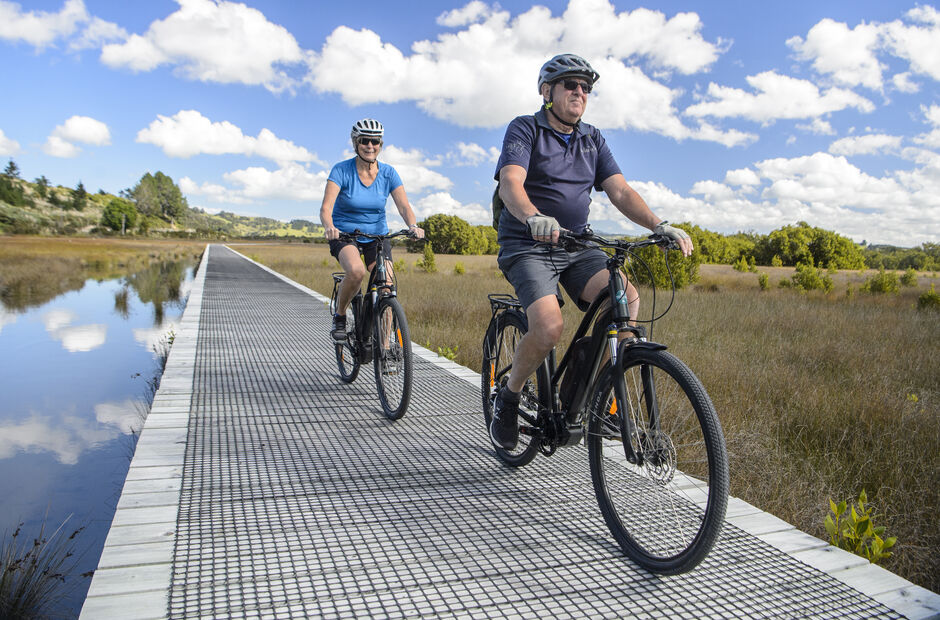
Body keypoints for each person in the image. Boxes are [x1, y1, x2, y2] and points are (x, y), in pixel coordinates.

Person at [490, 53, 694, 451]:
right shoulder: (525, 129)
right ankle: (510, 397)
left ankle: (582, 395)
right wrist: (533, 216)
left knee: (626, 298)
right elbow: (510, 184)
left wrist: (658, 225)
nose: (580, 92)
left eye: (586, 87)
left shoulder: (592, 138)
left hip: (577, 244)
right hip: (528, 244)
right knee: (548, 328)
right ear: (548, 91)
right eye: (571, 85)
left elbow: (619, 190)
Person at [320, 118, 424, 340]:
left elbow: (404, 206)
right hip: (345, 234)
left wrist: (412, 225)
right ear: (356, 143)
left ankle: (384, 348)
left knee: (386, 285)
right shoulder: (341, 170)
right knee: (356, 271)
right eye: (365, 141)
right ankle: (340, 315)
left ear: (380, 145)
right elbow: (326, 208)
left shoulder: (388, 173)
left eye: (375, 142)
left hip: (377, 236)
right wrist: (329, 227)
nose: (370, 146)